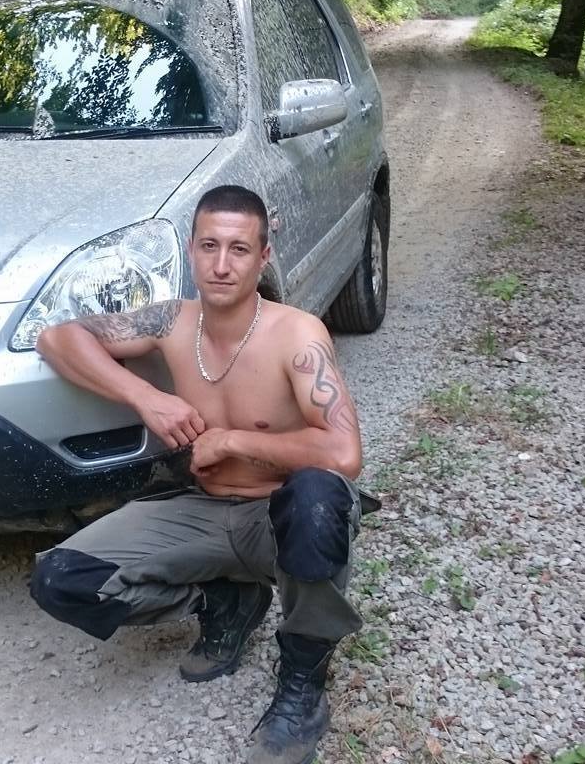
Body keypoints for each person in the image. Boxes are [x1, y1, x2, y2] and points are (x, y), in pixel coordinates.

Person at [32, 184, 377, 764]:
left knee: (320, 494)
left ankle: (302, 685)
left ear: (263, 256)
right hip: (203, 510)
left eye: (239, 249)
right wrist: (147, 397)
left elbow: (344, 453)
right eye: (209, 246)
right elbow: (58, 339)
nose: (221, 265)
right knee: (61, 579)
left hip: (280, 519)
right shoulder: (171, 321)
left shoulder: (296, 335)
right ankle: (223, 601)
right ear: (191, 250)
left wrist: (235, 440)